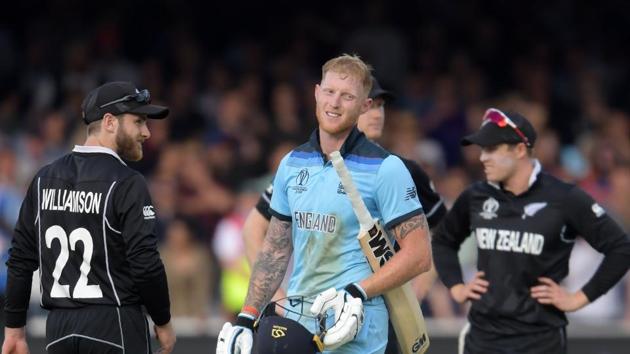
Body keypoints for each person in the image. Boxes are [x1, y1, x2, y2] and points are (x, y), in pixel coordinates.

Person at [216, 54, 432, 354]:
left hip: (358, 330)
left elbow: (419, 255)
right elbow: (275, 249)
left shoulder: (387, 168)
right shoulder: (291, 163)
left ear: (364, 106)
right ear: (316, 93)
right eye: (329, 92)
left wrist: (357, 291)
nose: (335, 103)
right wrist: (247, 315)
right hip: (299, 324)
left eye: (347, 96)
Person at [432, 108, 630, 354]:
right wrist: (456, 287)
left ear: (519, 150)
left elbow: (620, 248)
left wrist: (578, 298)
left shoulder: (563, 197)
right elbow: (442, 241)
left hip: (540, 342)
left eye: (492, 149)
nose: (483, 157)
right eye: (482, 149)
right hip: (483, 340)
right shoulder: (476, 196)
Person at [2, 82, 176, 354]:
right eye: (139, 122)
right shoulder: (127, 182)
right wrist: (163, 320)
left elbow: (20, 259)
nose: (147, 132)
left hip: (58, 331)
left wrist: (14, 330)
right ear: (109, 122)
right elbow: (146, 264)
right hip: (115, 324)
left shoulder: (44, 178)